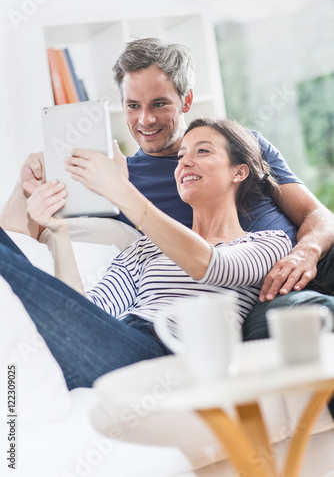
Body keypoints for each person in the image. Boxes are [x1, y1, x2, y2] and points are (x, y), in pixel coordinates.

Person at [1, 38, 334, 333]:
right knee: (305, 313)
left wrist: (306, 251)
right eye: (133, 106)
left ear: (186, 100)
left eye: (159, 104)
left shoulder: (241, 145)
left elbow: (317, 215)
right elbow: (14, 238)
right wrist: (25, 182)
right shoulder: (120, 177)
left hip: (304, 259)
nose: (145, 120)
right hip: (254, 295)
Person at [0, 118, 292, 390]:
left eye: (202, 151)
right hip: (114, 338)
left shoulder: (268, 243)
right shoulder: (145, 246)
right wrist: (59, 231)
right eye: (181, 157)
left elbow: (208, 265)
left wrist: (120, 190)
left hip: (160, 356)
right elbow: (86, 310)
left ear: (239, 171)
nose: (185, 162)